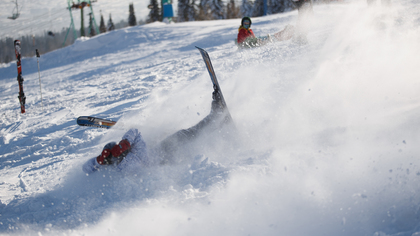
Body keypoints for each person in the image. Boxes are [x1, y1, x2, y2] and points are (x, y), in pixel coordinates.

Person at [82, 89, 230, 174]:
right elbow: (135, 133)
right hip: (166, 154)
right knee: (187, 134)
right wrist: (125, 142)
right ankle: (216, 118)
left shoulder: (117, 168)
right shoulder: (134, 157)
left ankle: (214, 123)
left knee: (174, 136)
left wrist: (97, 161)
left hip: (158, 157)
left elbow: (85, 169)